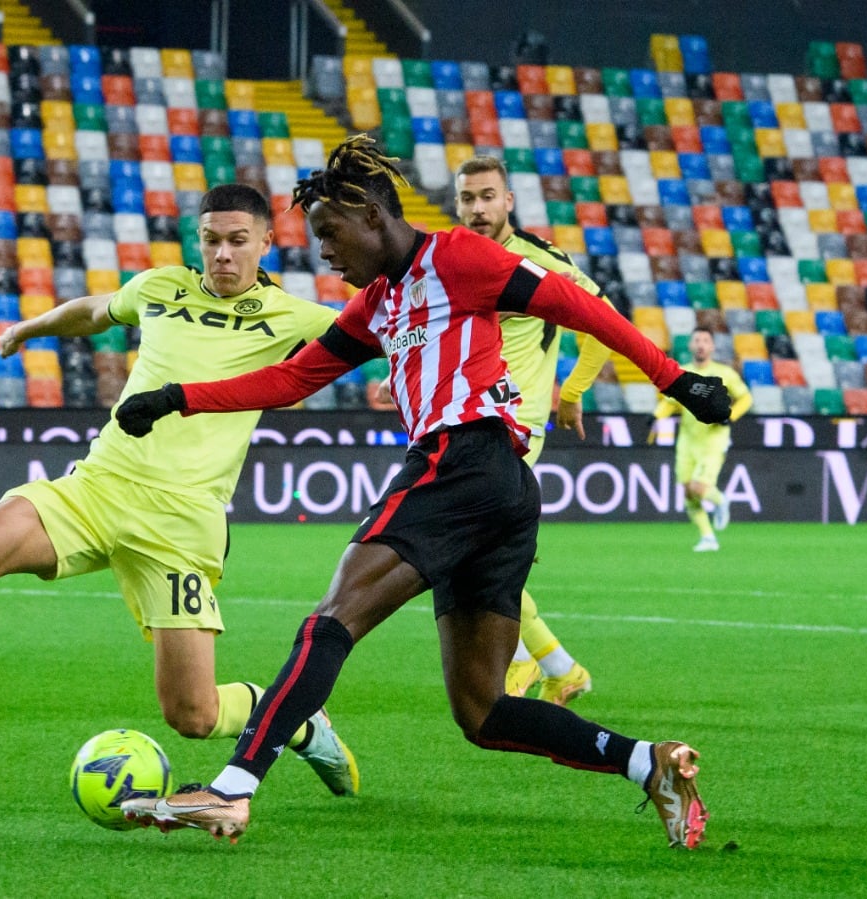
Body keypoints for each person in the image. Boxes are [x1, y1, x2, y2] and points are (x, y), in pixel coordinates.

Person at [113, 135, 729, 848]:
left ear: (372, 216)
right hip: (501, 489)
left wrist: (675, 380)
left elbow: (572, 303)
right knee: (483, 711)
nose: (323, 254)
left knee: (329, 622)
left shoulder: (459, 257)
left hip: (460, 458)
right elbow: (291, 379)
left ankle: (231, 788)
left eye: (329, 234)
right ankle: (646, 763)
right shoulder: (376, 304)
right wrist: (176, 397)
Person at [0, 184, 361, 797]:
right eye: (211, 241)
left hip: (181, 523)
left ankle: (300, 724)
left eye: (236, 242)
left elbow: (385, 339)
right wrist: (29, 327)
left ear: (264, 242)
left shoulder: (298, 318)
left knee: (193, 715)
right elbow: (95, 311)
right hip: (98, 486)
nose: (223, 255)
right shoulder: (159, 288)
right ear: (197, 240)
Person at [454, 154, 612, 705]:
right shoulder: (451, 258)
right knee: (474, 551)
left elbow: (604, 321)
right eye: (468, 199)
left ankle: (520, 663)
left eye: (487, 197)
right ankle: (560, 668)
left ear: (508, 201)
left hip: (514, 427)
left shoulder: (541, 262)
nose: (478, 209)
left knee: (463, 547)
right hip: (463, 422)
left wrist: (572, 392)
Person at [648, 327, 751, 552]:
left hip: (713, 438)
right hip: (687, 438)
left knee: (699, 487)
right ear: (691, 345)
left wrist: (731, 417)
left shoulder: (725, 373)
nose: (701, 344)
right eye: (697, 340)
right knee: (687, 491)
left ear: (712, 346)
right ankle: (708, 537)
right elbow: (670, 402)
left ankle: (721, 501)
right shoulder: (682, 372)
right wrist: (656, 416)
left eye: (706, 340)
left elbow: (745, 398)